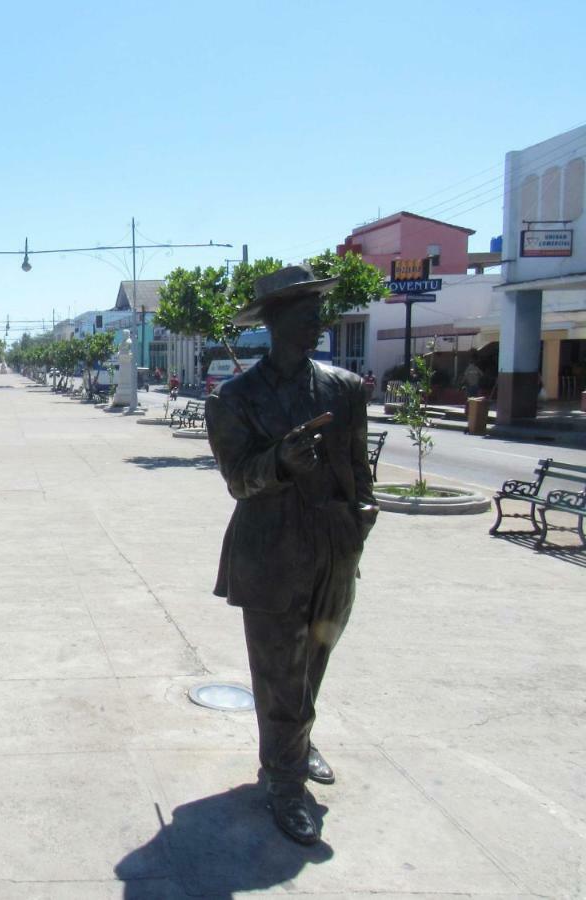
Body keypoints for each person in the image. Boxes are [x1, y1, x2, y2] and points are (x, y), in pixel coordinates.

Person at [205, 265, 379, 846]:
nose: (318, 322)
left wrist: (365, 513)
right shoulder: (236, 398)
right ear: (276, 323)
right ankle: (284, 782)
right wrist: (280, 462)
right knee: (279, 673)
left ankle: (298, 744)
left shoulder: (344, 388)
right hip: (271, 549)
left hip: (333, 546)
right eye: (306, 313)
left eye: (318, 312)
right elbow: (238, 479)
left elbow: (358, 467)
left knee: (315, 661)